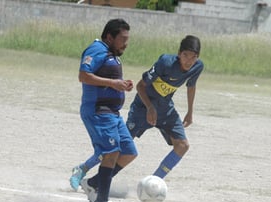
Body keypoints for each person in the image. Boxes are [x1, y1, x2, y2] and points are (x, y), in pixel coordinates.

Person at [70, 35, 204, 191]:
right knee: (118, 146)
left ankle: (153, 183)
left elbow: (191, 86)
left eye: (193, 57)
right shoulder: (165, 62)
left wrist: (190, 112)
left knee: (182, 145)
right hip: (143, 107)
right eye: (186, 55)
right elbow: (140, 86)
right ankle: (83, 169)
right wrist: (150, 108)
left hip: (165, 108)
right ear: (179, 53)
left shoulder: (197, 67)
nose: (189, 61)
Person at [77, 18, 137, 202]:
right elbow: (83, 76)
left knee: (128, 152)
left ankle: (93, 184)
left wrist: (121, 85)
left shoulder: (112, 53)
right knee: (111, 152)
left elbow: (110, 81)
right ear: (109, 37)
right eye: (123, 39)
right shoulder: (96, 50)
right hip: (98, 111)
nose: (126, 44)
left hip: (113, 113)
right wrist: (113, 84)